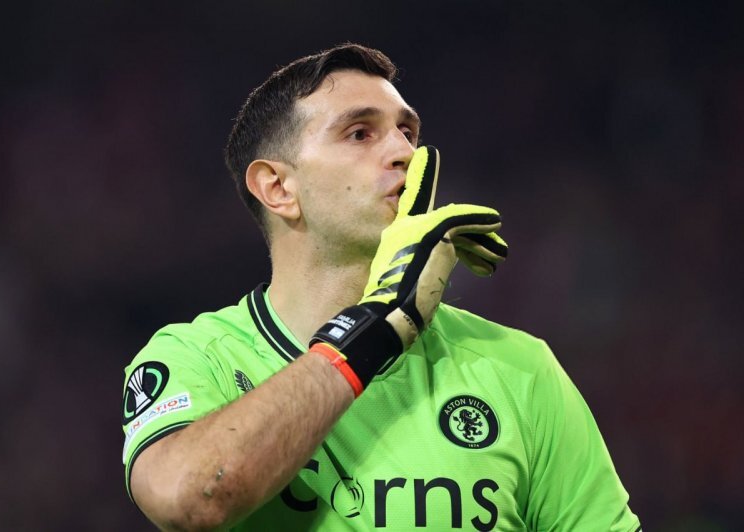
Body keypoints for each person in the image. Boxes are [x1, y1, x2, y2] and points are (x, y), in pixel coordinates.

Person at [121, 43, 641, 531]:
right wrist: (375, 328)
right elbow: (192, 498)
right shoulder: (197, 357)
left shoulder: (519, 368)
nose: (405, 152)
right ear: (278, 188)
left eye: (407, 132)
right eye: (359, 134)